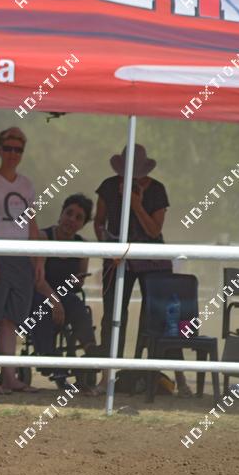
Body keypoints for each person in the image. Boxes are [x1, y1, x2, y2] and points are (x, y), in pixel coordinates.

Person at [92, 143, 191, 396]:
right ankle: (106, 377)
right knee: (113, 316)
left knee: (162, 316)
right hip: (117, 258)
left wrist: (135, 204)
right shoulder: (108, 186)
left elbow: (154, 230)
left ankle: (180, 378)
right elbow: (99, 222)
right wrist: (107, 247)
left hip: (152, 259)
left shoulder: (156, 190)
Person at [0, 127, 44, 394]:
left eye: (18, 150)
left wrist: (38, 259)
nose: (13, 154)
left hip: (20, 258)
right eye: (9, 148)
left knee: (11, 320)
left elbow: (32, 224)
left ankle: (9, 376)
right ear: (0, 151)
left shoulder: (26, 185)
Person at [29, 194, 99, 391]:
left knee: (77, 304)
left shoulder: (82, 246)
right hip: (41, 293)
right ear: (61, 213)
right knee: (42, 306)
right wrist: (55, 301)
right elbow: (38, 280)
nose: (71, 220)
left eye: (79, 218)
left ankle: (91, 351)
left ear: (82, 224)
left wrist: (77, 281)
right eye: (69, 213)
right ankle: (48, 357)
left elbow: (79, 282)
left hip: (65, 297)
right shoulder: (44, 237)